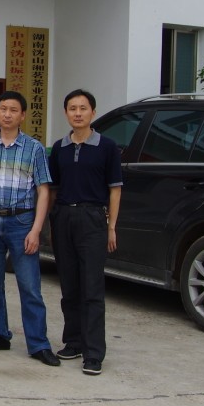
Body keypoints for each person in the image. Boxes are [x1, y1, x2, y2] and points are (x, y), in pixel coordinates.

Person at [0, 91, 59, 366]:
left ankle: (38, 344)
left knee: (29, 286)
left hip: (22, 222)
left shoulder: (34, 148)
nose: (7, 114)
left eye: (13, 110)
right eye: (3, 109)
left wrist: (36, 229)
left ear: (22, 115)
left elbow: (44, 190)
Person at [48, 89, 122, 375]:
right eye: (72, 108)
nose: (77, 113)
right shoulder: (60, 148)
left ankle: (93, 353)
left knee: (92, 288)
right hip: (64, 216)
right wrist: (50, 223)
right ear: (66, 113)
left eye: (83, 108)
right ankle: (74, 341)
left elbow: (115, 190)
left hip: (93, 218)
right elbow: (53, 189)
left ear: (93, 112)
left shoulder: (107, 147)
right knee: (69, 285)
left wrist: (111, 227)